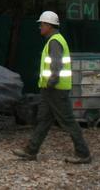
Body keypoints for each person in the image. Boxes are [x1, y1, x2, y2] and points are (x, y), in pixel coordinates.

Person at [13, 10, 92, 164]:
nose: (40, 27)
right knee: (43, 120)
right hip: (51, 90)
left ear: (49, 25)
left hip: (55, 90)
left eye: (42, 24)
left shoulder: (54, 41)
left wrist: (50, 83)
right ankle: (31, 151)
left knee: (68, 121)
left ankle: (83, 154)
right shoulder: (54, 40)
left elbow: (56, 66)